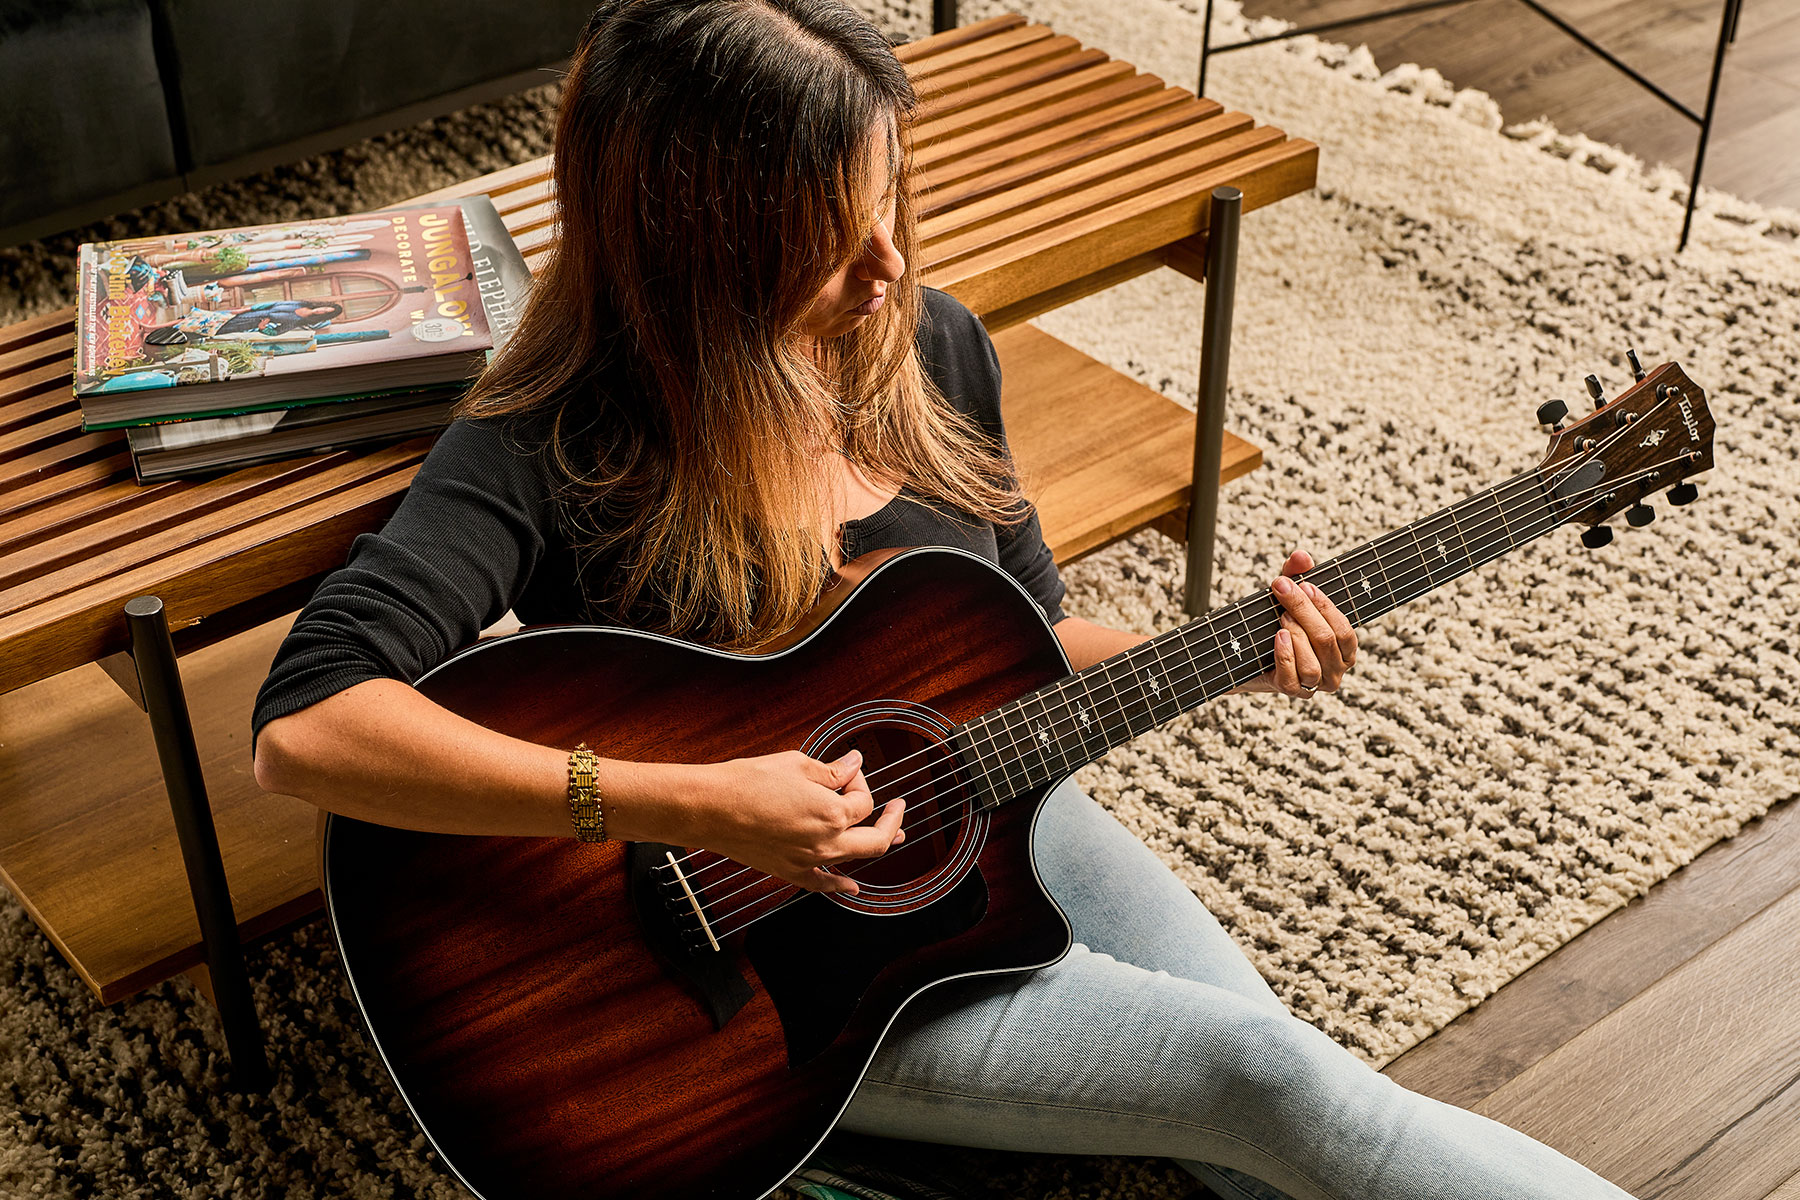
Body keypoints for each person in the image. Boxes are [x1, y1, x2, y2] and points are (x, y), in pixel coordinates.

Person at [250, 3, 1637, 1198]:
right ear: (703, 249)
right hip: (751, 995)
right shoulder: (561, 439)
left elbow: (1029, 637)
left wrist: (1229, 652)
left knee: (1282, 1096)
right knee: (1255, 1073)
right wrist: (687, 801)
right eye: (833, 238)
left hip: (989, 812)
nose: (890, 269)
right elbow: (306, 727)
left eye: (889, 208)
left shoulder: (930, 350)